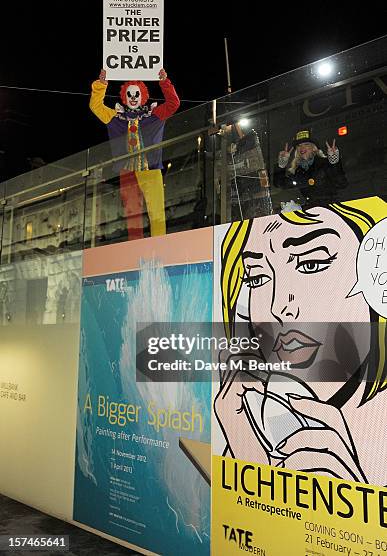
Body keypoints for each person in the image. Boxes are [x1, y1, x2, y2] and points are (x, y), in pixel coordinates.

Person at [214, 197, 387, 485]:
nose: (279, 306)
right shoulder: (261, 421)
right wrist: (250, 464)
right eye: (256, 278)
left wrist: (352, 505)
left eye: (311, 263)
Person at [89, 68, 180, 240]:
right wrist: (101, 85)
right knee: (133, 217)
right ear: (124, 96)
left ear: (143, 96)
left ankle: (160, 248)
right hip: (127, 173)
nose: (133, 97)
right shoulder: (115, 117)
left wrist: (164, 82)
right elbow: (95, 106)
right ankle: (135, 252)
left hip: (151, 170)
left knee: (157, 214)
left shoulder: (154, 116)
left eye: (136, 94)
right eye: (129, 94)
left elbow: (173, 104)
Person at [273, 129, 347, 208]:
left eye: (306, 144)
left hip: (332, 209)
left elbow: (341, 183)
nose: (302, 148)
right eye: (299, 146)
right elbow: (280, 184)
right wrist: (281, 165)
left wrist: (334, 162)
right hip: (311, 212)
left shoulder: (324, 164)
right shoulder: (298, 171)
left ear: (314, 148)